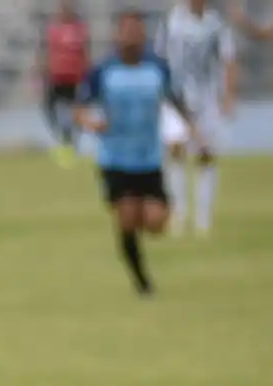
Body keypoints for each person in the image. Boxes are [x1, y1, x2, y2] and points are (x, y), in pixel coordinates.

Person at [77, 10, 199, 295]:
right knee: (128, 217)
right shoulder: (103, 71)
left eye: (136, 30)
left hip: (149, 157)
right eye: (126, 30)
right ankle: (142, 281)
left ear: (144, 34)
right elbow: (80, 107)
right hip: (115, 157)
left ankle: (141, 229)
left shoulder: (157, 69)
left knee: (156, 222)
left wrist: (191, 131)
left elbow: (176, 101)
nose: (131, 35)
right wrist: (90, 122)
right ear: (117, 34)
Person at [154, 0, 237, 236]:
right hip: (176, 95)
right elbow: (160, 58)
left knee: (206, 154)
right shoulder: (171, 21)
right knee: (176, 148)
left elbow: (229, 59)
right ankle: (178, 213)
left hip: (207, 98)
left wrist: (229, 95)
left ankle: (203, 217)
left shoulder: (216, 25)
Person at [40, 0, 91, 167]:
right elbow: (48, 52)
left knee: (75, 112)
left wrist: (86, 73)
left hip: (74, 78)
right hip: (57, 77)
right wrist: (44, 71)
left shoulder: (79, 29)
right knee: (49, 108)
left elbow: (85, 53)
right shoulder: (53, 29)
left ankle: (70, 143)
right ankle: (64, 138)